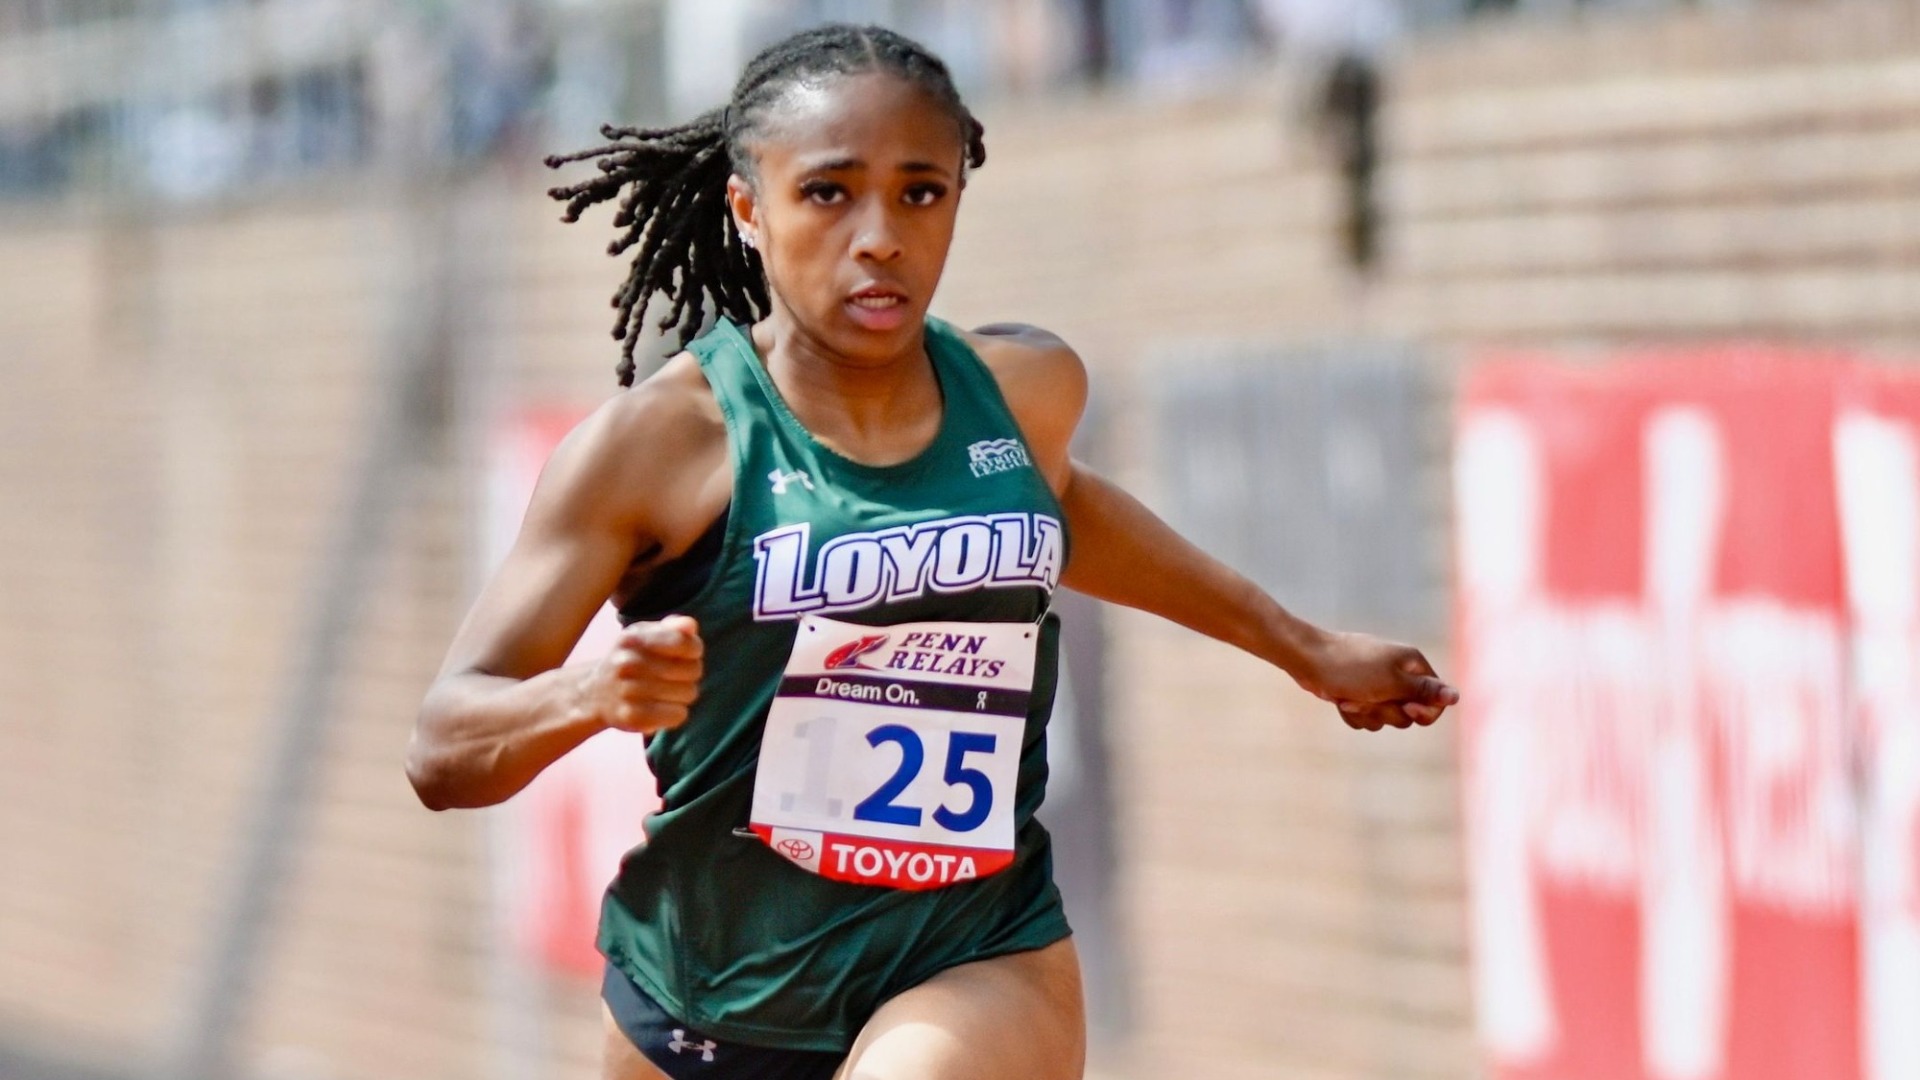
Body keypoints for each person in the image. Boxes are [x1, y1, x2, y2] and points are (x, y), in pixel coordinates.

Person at [405, 23, 1456, 1080]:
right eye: (829, 193)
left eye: (920, 192)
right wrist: (588, 694)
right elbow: (442, 750)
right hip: (710, 999)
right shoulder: (656, 448)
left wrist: (1305, 649)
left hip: (971, 952)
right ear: (747, 208)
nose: (881, 236)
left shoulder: (1023, 394)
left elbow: (1063, 518)